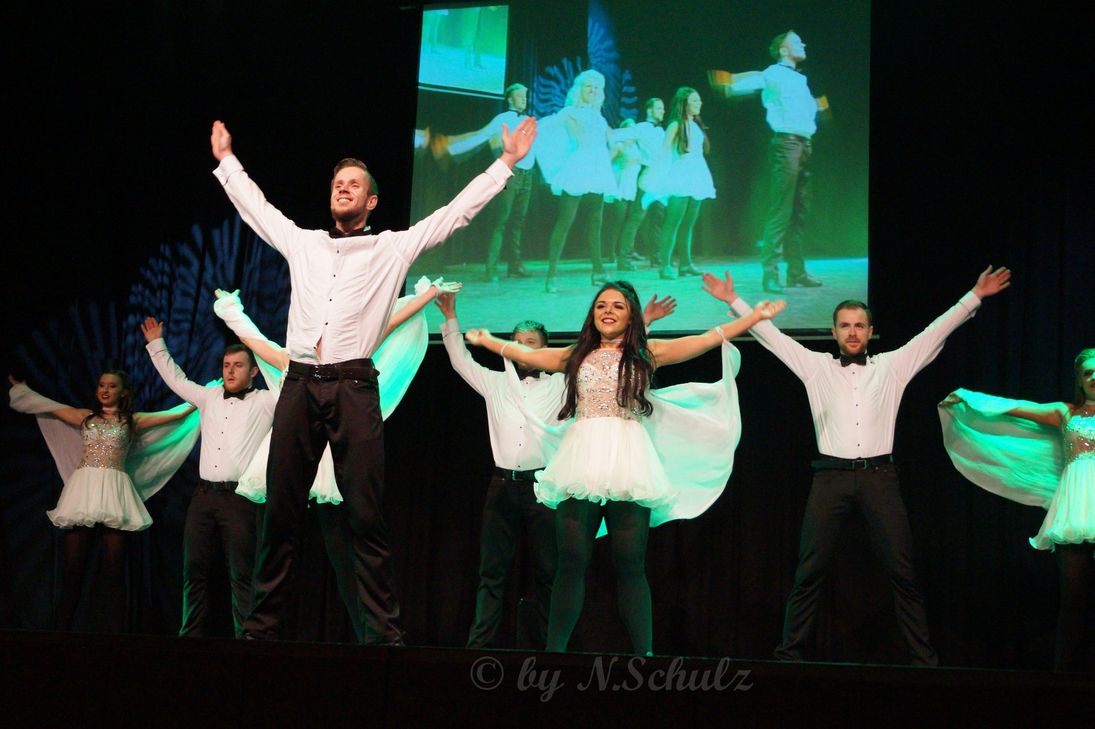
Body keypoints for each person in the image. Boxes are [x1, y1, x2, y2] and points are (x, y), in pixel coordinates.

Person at [209, 115, 535, 644]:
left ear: (372, 201)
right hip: (299, 383)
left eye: (354, 184)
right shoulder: (304, 242)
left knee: (365, 513)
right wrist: (227, 161)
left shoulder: (392, 247)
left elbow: (456, 215)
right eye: (339, 182)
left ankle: (384, 635)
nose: (343, 187)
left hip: (353, 386)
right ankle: (260, 631)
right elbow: (257, 210)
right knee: (281, 511)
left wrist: (505, 164)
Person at [705, 265, 1012, 665]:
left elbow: (935, 332)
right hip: (829, 478)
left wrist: (974, 296)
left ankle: (925, 663)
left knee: (903, 572)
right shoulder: (816, 367)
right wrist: (733, 300)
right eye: (845, 325)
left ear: (870, 331)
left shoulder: (893, 367)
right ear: (833, 332)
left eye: (859, 325)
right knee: (808, 572)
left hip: (879, 478)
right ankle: (788, 657)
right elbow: (771, 337)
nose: (852, 332)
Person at [464, 280, 785, 655]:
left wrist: (753, 317)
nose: (608, 311)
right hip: (580, 461)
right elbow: (533, 356)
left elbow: (707, 338)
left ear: (631, 314)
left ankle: (643, 656)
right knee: (570, 561)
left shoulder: (647, 354)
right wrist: (489, 341)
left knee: (630, 563)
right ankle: (554, 656)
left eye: (617, 305)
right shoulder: (576, 355)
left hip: (628, 460)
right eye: (601, 305)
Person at [212, 279, 452, 641]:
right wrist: (231, 310)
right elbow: (253, 340)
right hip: (293, 456)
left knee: (345, 556)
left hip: (332, 464)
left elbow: (391, 322)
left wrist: (427, 296)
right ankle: (257, 632)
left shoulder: (352, 356)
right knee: (274, 543)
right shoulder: (292, 362)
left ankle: (370, 635)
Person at [438, 289, 678, 649]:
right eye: (520, 343)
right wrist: (451, 319)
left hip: (545, 484)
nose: (525, 349)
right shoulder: (496, 384)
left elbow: (608, 367)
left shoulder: (560, 380)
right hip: (503, 485)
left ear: (544, 347)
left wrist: (644, 321)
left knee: (555, 570)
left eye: (532, 344)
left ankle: (557, 649)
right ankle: (480, 649)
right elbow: (459, 360)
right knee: (492, 572)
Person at [939, 348, 1095, 671]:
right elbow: (1017, 409)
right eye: (1088, 373)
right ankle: (1063, 678)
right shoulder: (1065, 413)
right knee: (1074, 598)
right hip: (1076, 511)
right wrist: (971, 400)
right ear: (1079, 380)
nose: (1094, 377)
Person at [8, 373, 196, 631]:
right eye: (102, 385)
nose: (105, 390)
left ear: (124, 392)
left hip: (113, 493)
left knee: (113, 570)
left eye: (112, 386)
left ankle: (113, 633)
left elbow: (176, 414)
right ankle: (59, 631)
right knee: (73, 569)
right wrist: (24, 391)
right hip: (84, 492)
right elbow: (49, 406)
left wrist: (207, 394)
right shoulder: (85, 417)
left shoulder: (132, 420)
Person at [140, 318, 276, 638]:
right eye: (227, 365)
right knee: (193, 571)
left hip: (240, 499)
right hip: (203, 498)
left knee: (241, 573)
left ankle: (248, 640)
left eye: (239, 365)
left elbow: (291, 384)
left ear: (254, 371)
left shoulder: (268, 401)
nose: (230, 371)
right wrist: (157, 345)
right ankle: (190, 638)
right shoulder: (209, 396)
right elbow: (177, 380)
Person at [709, 30, 827, 293]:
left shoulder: (800, 79)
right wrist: (729, 81)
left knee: (799, 212)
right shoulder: (775, 72)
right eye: (797, 41)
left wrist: (818, 110)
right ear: (784, 50)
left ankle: (796, 272)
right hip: (787, 145)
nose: (803, 43)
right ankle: (770, 274)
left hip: (805, 146)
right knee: (781, 210)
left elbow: (808, 110)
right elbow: (755, 78)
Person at [442, 83, 536, 282]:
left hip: (527, 175)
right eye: (519, 96)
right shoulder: (501, 119)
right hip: (511, 173)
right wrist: (455, 148)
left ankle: (514, 266)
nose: (523, 100)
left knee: (518, 221)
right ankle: (491, 269)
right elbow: (484, 137)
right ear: (510, 99)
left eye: (525, 97)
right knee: (501, 221)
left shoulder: (529, 120)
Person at [536, 70, 618, 292]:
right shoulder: (570, 112)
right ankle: (552, 274)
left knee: (596, 221)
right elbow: (546, 127)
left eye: (596, 87)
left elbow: (612, 140)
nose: (592, 90)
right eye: (588, 86)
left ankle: (598, 271)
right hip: (578, 168)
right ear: (579, 89)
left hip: (598, 169)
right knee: (565, 221)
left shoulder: (599, 116)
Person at [641, 87, 716, 280]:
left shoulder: (696, 124)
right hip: (681, 174)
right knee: (672, 222)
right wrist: (650, 172)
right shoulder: (675, 124)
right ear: (684, 104)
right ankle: (665, 266)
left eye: (699, 100)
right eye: (694, 101)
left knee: (688, 223)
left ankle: (686, 264)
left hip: (697, 174)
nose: (699, 104)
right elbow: (664, 150)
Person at [611, 98, 666, 270]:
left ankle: (657, 258)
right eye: (659, 108)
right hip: (647, 177)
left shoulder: (662, 131)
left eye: (663, 108)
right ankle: (624, 259)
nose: (662, 111)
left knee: (658, 219)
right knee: (636, 218)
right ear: (650, 110)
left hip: (661, 179)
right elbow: (618, 134)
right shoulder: (642, 128)